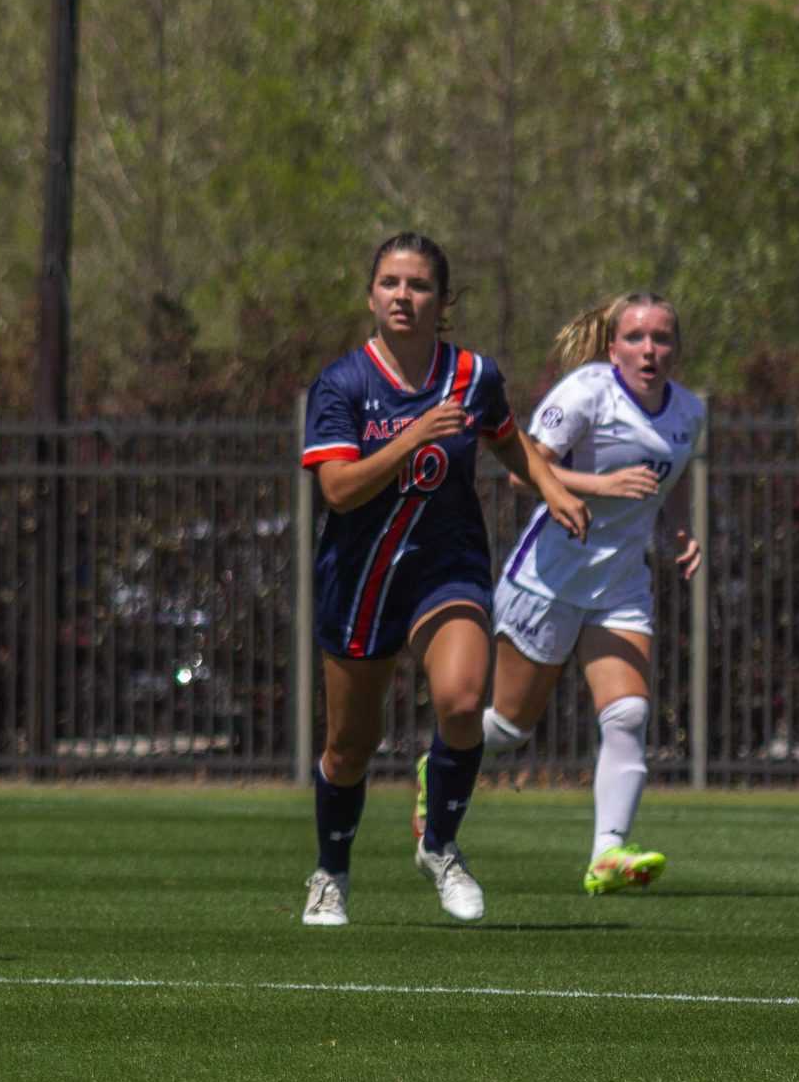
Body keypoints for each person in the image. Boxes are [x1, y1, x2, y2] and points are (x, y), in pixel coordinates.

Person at [296, 232, 587, 928]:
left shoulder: (472, 375)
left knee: (461, 702)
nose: (404, 295)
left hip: (446, 568)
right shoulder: (343, 385)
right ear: (371, 295)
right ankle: (330, 872)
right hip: (361, 581)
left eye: (419, 284)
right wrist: (412, 437)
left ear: (442, 301)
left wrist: (548, 485)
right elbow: (337, 489)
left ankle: (441, 843)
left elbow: (506, 435)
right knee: (349, 746)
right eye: (391, 282)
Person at [481, 293, 704, 894]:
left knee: (628, 713)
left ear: (676, 350)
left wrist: (681, 527)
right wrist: (600, 483)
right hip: (549, 577)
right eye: (635, 337)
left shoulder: (688, 410)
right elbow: (521, 465)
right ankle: (442, 761)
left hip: (621, 585)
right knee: (507, 726)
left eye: (661, 338)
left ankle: (608, 853)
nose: (649, 349)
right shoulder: (586, 392)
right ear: (613, 348)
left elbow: (671, 480)